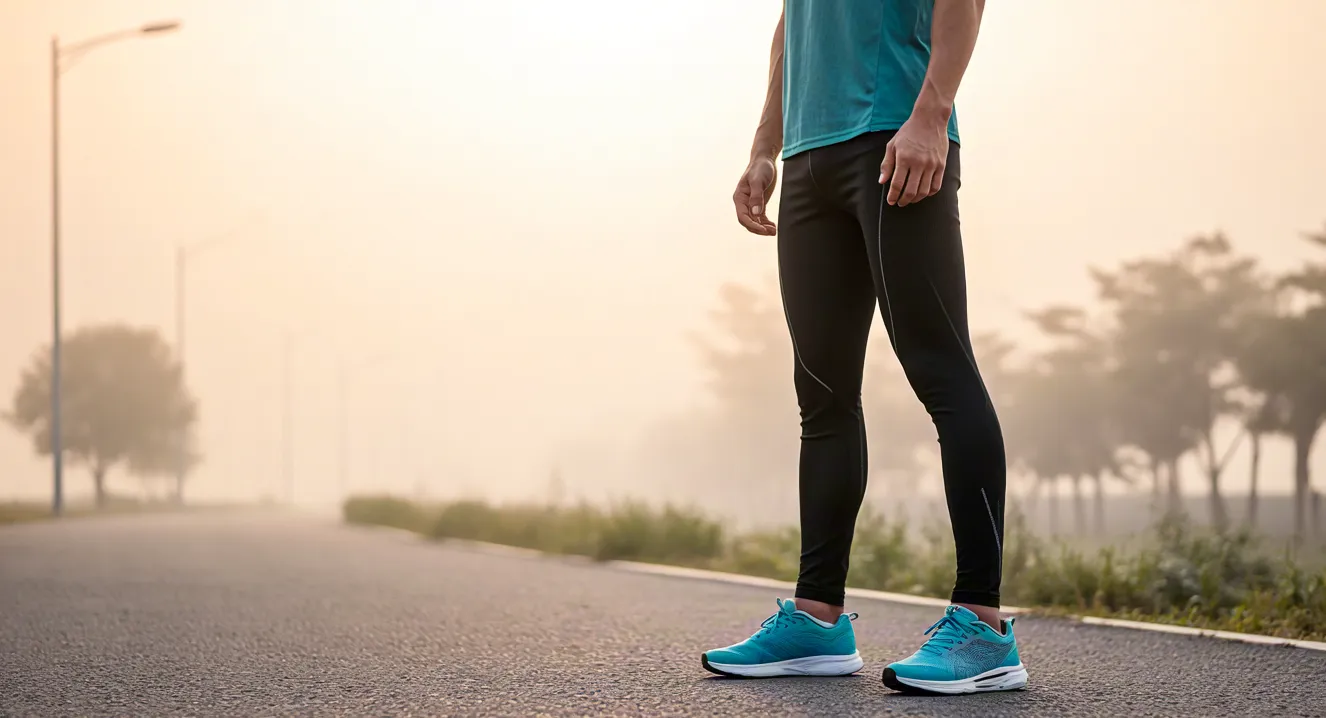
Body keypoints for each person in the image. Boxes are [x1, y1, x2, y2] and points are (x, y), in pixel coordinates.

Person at [700, 0, 1027, 694]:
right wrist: (764, 147)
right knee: (821, 395)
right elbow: (792, 25)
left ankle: (984, 626)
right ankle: (817, 620)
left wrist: (931, 115)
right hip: (808, 158)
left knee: (942, 373)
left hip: (896, 140)